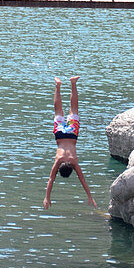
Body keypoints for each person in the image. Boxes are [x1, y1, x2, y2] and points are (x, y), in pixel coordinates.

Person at [43, 76, 98, 210]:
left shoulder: (74, 161)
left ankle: (73, 83)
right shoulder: (58, 160)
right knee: (58, 111)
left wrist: (90, 197)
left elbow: (82, 180)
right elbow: (51, 180)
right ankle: (58, 86)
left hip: (72, 134)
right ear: (61, 167)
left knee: (73, 109)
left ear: (71, 169)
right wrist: (46, 197)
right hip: (60, 135)